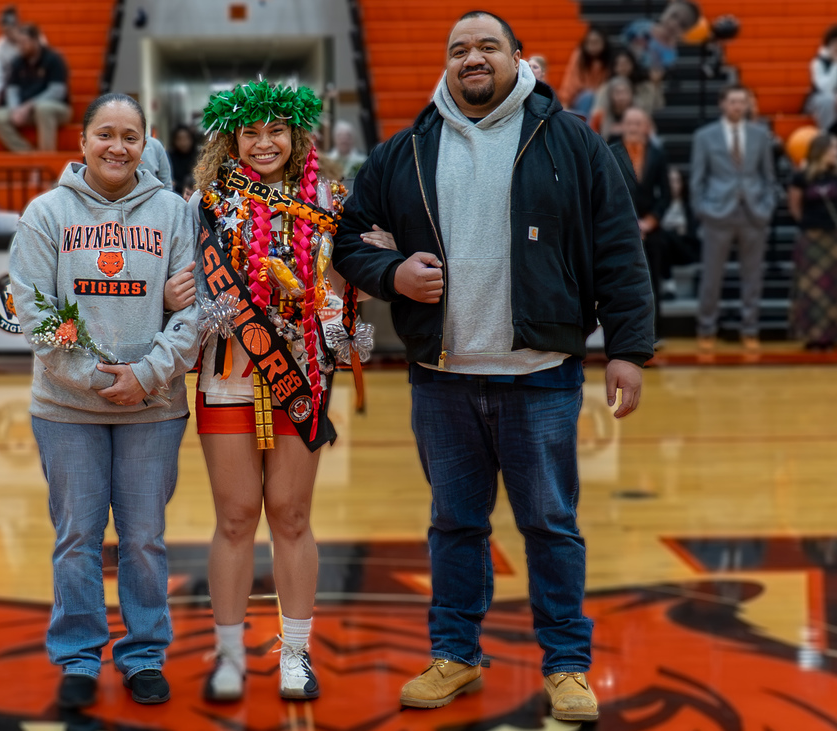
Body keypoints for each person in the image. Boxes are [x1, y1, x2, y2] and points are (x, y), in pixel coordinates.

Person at [332, 10, 653, 723]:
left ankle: (567, 664)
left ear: (517, 56)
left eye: (486, 46)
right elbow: (346, 238)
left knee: (550, 523)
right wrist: (391, 273)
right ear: (445, 64)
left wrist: (627, 349)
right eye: (458, 49)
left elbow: (618, 251)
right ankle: (457, 653)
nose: (471, 58)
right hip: (443, 375)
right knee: (454, 525)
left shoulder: (568, 139)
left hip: (541, 373)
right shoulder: (406, 148)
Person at [7, 93, 199, 709]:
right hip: (66, 411)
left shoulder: (174, 213)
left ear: (147, 146)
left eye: (131, 137)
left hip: (154, 406)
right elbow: (34, 314)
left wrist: (146, 375)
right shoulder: (45, 214)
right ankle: (79, 658)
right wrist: (94, 377)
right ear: (83, 141)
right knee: (77, 537)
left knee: (144, 537)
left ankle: (144, 652)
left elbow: (196, 312)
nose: (117, 147)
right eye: (105, 135)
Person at [185, 79, 370, 704]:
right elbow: (189, 299)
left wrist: (331, 314)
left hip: (301, 380)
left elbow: (349, 306)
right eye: (250, 132)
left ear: (296, 136)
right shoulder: (205, 204)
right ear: (231, 138)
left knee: (291, 515)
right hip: (228, 376)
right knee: (235, 518)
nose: (264, 143)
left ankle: (295, 655)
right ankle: (231, 655)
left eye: (276, 131)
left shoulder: (330, 201)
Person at [690, 83, 777, 354]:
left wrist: (767, 206)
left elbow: (769, 177)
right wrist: (702, 209)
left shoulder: (761, 135)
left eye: (742, 102)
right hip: (718, 213)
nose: (738, 106)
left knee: (752, 276)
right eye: (733, 101)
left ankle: (750, 329)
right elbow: (697, 179)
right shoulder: (705, 136)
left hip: (753, 213)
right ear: (723, 104)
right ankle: (706, 328)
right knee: (711, 276)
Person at [610, 108, 672, 338]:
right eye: (630, 124)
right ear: (623, 126)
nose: (634, 129)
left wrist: (649, 222)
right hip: (618, 228)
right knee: (617, 283)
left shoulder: (658, 154)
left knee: (652, 281)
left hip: (649, 229)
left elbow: (665, 194)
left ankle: (653, 333)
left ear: (646, 127)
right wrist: (625, 224)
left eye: (639, 124)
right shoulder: (611, 152)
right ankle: (621, 334)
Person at [0, 23, 70, 152]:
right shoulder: (17, 62)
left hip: (56, 109)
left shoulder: (54, 59)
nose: (20, 46)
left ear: (35, 40)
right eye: (19, 43)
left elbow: (57, 91)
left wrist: (29, 105)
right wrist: (15, 109)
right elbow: (12, 90)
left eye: (24, 42)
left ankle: (47, 158)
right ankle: (28, 155)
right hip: (25, 110)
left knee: (43, 109)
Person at [787, 132, 837, 350]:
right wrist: (809, 225)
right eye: (833, 148)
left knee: (834, 289)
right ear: (821, 150)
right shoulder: (802, 176)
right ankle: (815, 336)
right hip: (812, 238)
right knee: (813, 290)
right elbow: (795, 207)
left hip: (835, 237)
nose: (836, 152)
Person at [621, 0, 701, 81]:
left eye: (682, 25)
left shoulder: (670, 58)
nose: (673, 24)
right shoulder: (639, 26)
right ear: (667, 9)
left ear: (685, 31)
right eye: (674, 16)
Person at [591, 48, 664, 118]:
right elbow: (597, 112)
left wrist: (656, 86)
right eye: (619, 64)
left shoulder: (646, 87)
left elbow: (658, 108)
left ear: (633, 64)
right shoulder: (606, 88)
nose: (623, 67)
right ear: (613, 67)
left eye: (626, 63)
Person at [557, 26, 612, 116]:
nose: (592, 46)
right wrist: (565, 103)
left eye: (596, 42)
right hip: (581, 100)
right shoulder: (579, 56)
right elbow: (571, 83)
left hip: (603, 100)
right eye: (589, 42)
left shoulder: (609, 60)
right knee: (588, 96)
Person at [805, 25, 837, 134]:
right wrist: (835, 64)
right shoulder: (818, 62)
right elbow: (825, 88)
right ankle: (828, 136)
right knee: (827, 100)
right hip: (818, 99)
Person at [588, 76, 635, 143]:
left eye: (625, 92)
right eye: (618, 93)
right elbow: (591, 139)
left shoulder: (638, 116)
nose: (622, 97)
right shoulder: (599, 116)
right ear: (610, 95)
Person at [167, 124, 198, 195]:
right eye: (179, 139)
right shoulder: (169, 157)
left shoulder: (198, 156)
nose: (183, 143)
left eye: (186, 139)